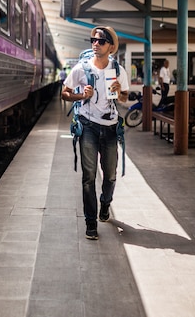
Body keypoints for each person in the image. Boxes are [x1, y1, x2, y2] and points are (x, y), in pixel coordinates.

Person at [61, 26, 129, 240]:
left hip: (110, 129)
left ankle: (105, 205)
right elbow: (64, 93)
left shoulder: (117, 70)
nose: (95, 44)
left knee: (110, 175)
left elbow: (125, 98)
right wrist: (80, 96)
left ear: (110, 46)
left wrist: (119, 92)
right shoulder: (81, 68)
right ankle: (91, 222)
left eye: (100, 41)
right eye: (93, 40)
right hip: (88, 127)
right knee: (88, 177)